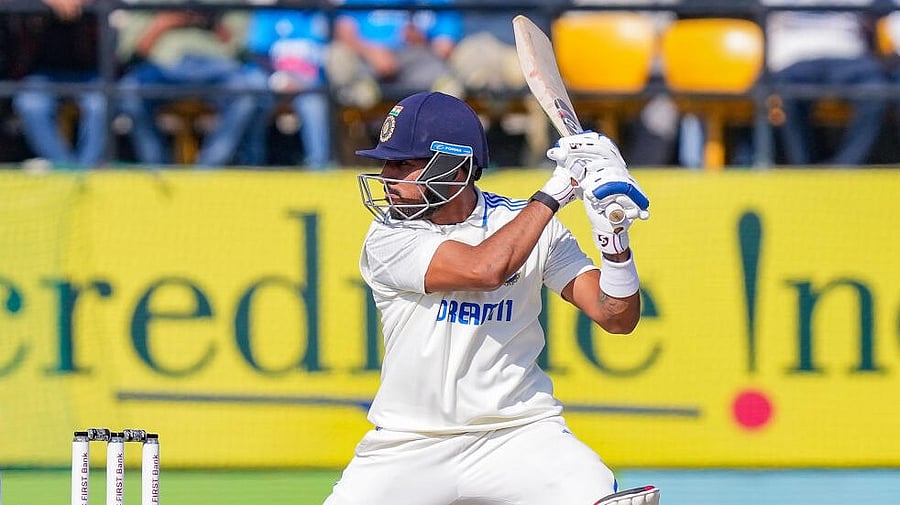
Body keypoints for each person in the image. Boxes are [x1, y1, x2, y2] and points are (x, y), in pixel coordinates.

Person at [325, 91, 659, 505]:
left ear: (454, 166)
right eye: (386, 163)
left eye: (403, 164)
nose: (387, 177)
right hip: (410, 440)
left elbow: (616, 317)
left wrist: (614, 241)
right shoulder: (388, 235)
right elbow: (484, 269)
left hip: (519, 433)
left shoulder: (530, 226)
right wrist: (559, 189)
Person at [114, 2, 268, 167]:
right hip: (162, 66)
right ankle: (158, 168)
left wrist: (209, 20)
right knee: (129, 90)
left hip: (217, 67)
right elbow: (129, 51)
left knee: (253, 87)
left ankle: (209, 169)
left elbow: (240, 49)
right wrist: (166, 21)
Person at [766, 7, 887, 165]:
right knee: (787, 94)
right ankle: (802, 168)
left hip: (848, 55)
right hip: (794, 56)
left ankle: (846, 166)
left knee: (875, 90)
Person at [10, 0, 107, 169]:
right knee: (30, 104)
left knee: (101, 104)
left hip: (91, 71)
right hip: (43, 71)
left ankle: (87, 170)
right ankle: (67, 170)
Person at [325, 0, 464, 110]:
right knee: (340, 61)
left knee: (448, 86)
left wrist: (422, 40)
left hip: (416, 61)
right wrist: (371, 53)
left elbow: (444, 46)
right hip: (368, 64)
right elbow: (344, 31)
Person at [242, 8, 332, 169]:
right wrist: (278, 78)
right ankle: (251, 162)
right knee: (251, 92)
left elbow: (327, 57)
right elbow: (257, 53)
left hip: (308, 83)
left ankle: (319, 166)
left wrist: (300, 82)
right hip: (270, 78)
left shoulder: (319, 16)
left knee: (314, 104)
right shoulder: (269, 14)